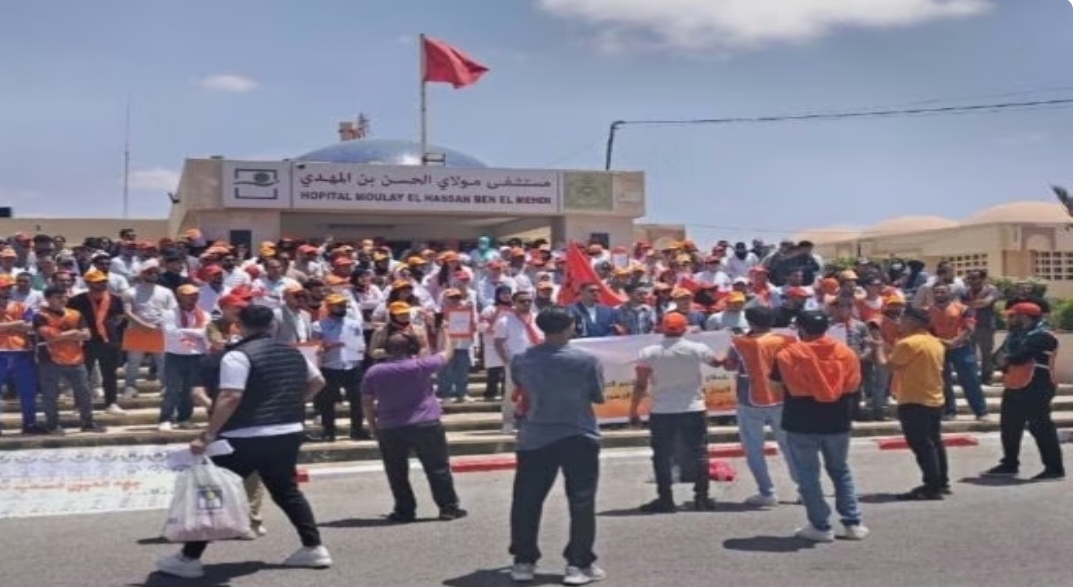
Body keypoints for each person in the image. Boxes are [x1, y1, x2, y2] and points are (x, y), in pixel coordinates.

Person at [155, 305, 332, 580]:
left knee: (213, 490)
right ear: (273, 326)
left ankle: (189, 558)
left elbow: (230, 397)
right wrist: (293, 403)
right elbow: (318, 381)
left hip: (246, 434)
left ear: (239, 326)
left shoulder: (237, 355)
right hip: (288, 430)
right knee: (286, 490)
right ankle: (313, 546)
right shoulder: (293, 352)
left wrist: (208, 434)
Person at [507, 306, 606, 586]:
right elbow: (598, 395)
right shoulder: (586, 360)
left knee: (527, 501)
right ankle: (578, 563)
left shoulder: (522, 359)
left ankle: (524, 560)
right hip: (578, 433)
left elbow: (521, 387)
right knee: (581, 501)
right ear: (568, 327)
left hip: (535, 436)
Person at [773, 310, 867, 543]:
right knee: (840, 470)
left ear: (802, 329)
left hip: (801, 419)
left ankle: (820, 526)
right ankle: (852, 523)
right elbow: (854, 385)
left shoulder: (788, 354)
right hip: (838, 419)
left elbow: (775, 385)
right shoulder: (846, 353)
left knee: (808, 475)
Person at [361, 326, 468, 522]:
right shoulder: (420, 365)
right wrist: (446, 333)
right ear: (412, 348)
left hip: (390, 426)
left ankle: (404, 510)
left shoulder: (374, 372)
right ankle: (448, 507)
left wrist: (373, 427)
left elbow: (367, 402)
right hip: (425, 423)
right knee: (437, 468)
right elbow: (446, 354)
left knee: (396, 472)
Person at [629, 312, 725, 513]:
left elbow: (640, 384)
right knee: (699, 453)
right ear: (685, 328)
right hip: (693, 407)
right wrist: (729, 348)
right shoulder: (697, 348)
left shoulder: (649, 352)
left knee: (662, 456)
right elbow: (717, 362)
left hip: (663, 410)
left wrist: (634, 409)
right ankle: (701, 498)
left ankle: (666, 499)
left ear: (661, 328)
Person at [721, 305, 798, 507]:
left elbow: (729, 365)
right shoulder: (787, 340)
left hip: (750, 400)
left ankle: (767, 492)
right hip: (781, 397)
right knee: (790, 447)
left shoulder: (740, 342)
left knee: (754, 450)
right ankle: (804, 490)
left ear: (750, 322)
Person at [982, 302, 1065, 481]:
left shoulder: (1042, 336)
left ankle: (1054, 469)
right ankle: (1009, 464)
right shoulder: (1014, 336)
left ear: (1024, 317)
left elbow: (1020, 357)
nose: (1009, 318)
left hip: (1037, 387)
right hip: (1014, 384)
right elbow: (995, 358)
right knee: (1009, 427)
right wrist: (1006, 360)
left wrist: (1007, 359)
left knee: (1040, 427)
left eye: (1013, 315)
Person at [873, 307, 949, 500]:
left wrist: (878, 347)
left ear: (914, 322)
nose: (899, 321)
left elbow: (887, 366)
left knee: (921, 444)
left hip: (914, 399)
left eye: (903, 318)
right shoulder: (935, 341)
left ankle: (931, 487)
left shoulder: (908, 343)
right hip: (934, 397)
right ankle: (941, 482)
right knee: (934, 442)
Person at [33, 286, 106, 435]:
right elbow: (49, 335)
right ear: (48, 299)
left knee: (84, 393)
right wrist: (74, 333)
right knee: (50, 395)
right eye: (58, 297)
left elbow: (87, 335)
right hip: (50, 359)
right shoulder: (40, 316)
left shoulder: (75, 314)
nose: (63, 300)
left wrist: (64, 335)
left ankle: (88, 423)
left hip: (75, 358)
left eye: (65, 297)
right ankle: (53, 425)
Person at [67, 269, 127, 415]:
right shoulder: (77, 300)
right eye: (97, 282)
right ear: (88, 283)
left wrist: (105, 328)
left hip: (109, 341)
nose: (101, 284)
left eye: (103, 281)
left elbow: (119, 318)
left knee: (110, 374)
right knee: (82, 375)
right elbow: (71, 319)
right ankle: (80, 405)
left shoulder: (115, 299)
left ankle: (111, 403)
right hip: (86, 342)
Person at [311, 293, 368, 442]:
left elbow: (360, 342)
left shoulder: (354, 323)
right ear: (329, 307)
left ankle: (357, 430)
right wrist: (328, 346)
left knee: (357, 399)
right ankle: (328, 431)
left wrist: (361, 348)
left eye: (343, 305)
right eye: (338, 305)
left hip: (352, 364)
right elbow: (315, 348)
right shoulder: (318, 325)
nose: (342, 307)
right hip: (330, 365)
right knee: (327, 401)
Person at [927, 283, 988, 421]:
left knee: (970, 379)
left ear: (949, 293)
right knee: (943, 381)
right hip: (938, 348)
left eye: (942, 291)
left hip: (961, 348)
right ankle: (949, 411)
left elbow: (969, 327)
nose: (939, 294)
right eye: (936, 292)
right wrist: (941, 342)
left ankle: (981, 412)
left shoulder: (963, 308)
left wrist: (955, 341)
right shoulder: (926, 311)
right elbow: (925, 330)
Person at [0, 274, 44, 434]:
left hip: (22, 352)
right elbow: (23, 325)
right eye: (4, 287)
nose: (7, 290)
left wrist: (5, 326)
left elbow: (31, 326)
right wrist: (17, 323)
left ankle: (30, 424)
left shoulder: (22, 306)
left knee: (28, 392)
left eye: (8, 287)